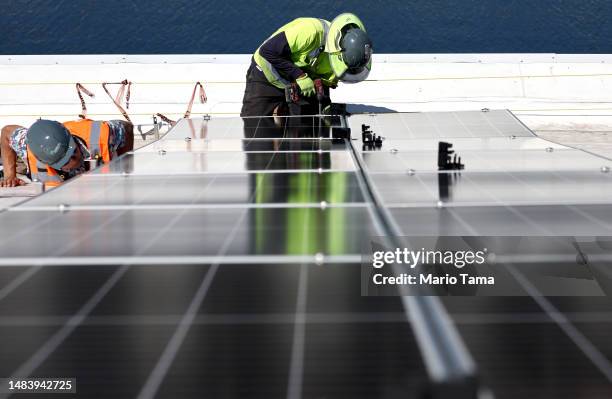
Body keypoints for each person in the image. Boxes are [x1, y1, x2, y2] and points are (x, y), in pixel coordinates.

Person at [241, 13, 372, 117]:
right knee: (253, 126)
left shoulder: (348, 60)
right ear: (338, 49)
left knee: (308, 127)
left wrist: (324, 103)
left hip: (301, 81)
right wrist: (300, 76)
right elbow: (267, 51)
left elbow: (324, 81)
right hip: (267, 73)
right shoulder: (310, 32)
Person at [0, 119, 133, 188]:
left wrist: (125, 167)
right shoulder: (28, 145)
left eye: (72, 155)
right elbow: (6, 132)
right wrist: (10, 175)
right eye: (62, 164)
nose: (70, 165)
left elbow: (127, 127)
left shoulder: (103, 135)